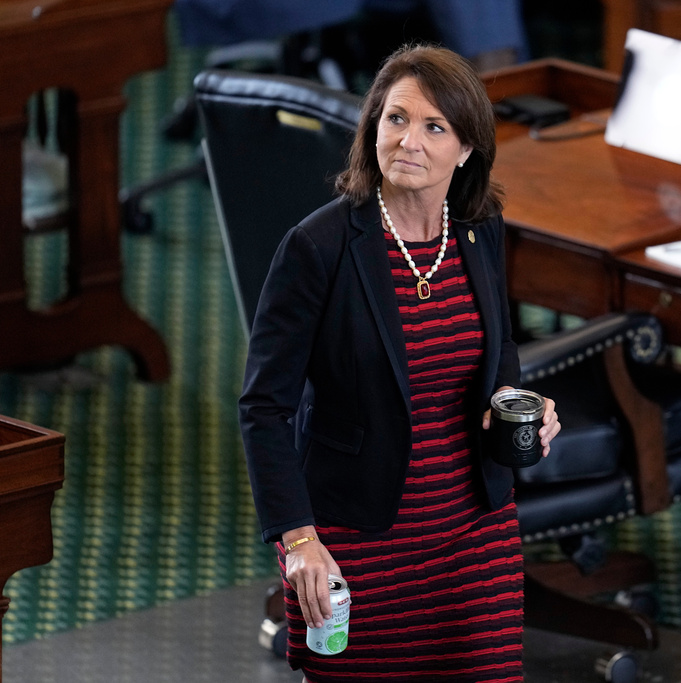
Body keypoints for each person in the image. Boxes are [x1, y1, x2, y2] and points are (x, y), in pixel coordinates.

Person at [239, 44, 560, 682]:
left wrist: (526, 407)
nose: (408, 141)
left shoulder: (480, 226)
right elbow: (263, 409)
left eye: (434, 127)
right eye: (395, 119)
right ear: (373, 127)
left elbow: (500, 351)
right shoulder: (318, 248)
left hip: (475, 530)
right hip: (359, 537)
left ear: (466, 149)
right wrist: (298, 540)